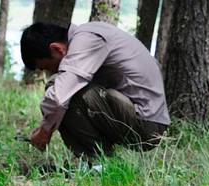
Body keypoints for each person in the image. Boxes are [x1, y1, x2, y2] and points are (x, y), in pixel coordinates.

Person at [20, 21, 170, 159]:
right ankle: (95, 159)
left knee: (62, 89)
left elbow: (59, 97)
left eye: (48, 67)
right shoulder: (89, 34)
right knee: (65, 88)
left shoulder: (86, 39)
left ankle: (97, 161)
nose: (51, 72)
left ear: (57, 48)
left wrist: (44, 130)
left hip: (146, 125)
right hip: (145, 118)